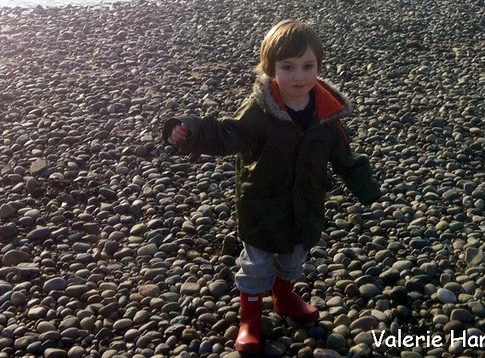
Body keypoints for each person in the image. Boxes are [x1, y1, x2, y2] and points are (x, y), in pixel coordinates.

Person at [162, 19, 381, 353]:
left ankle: (284, 297)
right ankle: (250, 318)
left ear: (318, 66)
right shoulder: (260, 112)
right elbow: (226, 134)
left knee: (294, 257)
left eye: (308, 66)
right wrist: (189, 131)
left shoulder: (326, 114)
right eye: (288, 67)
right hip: (262, 205)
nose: (299, 76)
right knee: (257, 264)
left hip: (305, 203)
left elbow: (344, 156)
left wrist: (367, 188)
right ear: (270, 69)